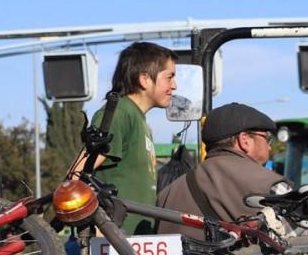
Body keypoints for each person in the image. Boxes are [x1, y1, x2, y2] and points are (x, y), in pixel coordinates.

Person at [83, 41, 178, 235]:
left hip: (135, 244)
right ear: (144, 79)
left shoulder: (138, 119)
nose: (174, 85)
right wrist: (100, 228)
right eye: (169, 77)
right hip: (116, 245)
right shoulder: (119, 113)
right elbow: (78, 172)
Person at [157, 103, 289, 241]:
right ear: (244, 140)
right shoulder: (271, 185)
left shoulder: (167, 193)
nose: (269, 146)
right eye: (267, 137)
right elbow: (299, 248)